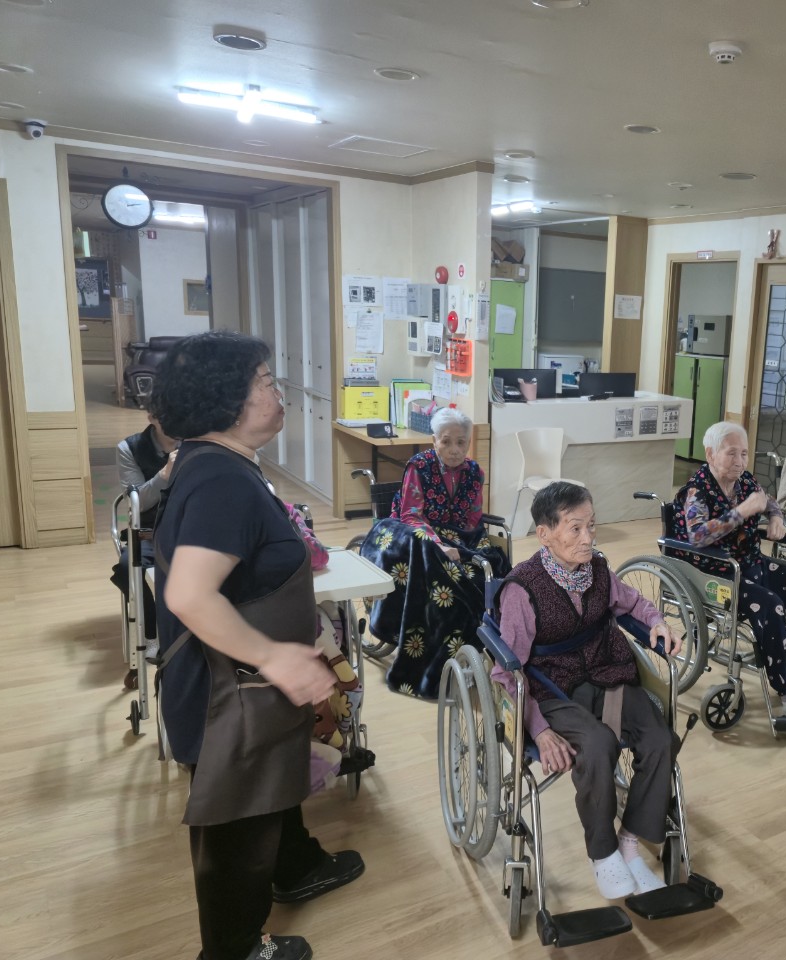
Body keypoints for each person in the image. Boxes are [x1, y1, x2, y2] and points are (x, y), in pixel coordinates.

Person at [151, 332, 363, 960]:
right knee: (235, 827)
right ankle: (235, 948)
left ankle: (294, 865)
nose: (279, 392)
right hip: (228, 695)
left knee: (268, 789)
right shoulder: (222, 480)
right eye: (266, 382)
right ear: (227, 401)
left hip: (249, 690)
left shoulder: (217, 462)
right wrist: (273, 655)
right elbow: (189, 594)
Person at [491, 482, 683, 900]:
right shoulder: (522, 589)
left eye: (591, 526)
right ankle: (604, 853)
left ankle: (630, 841)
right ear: (545, 534)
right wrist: (539, 729)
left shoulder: (597, 570)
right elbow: (507, 672)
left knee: (660, 739)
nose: (587, 538)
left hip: (605, 672)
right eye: (575, 528)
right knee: (596, 746)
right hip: (550, 689)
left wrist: (657, 622)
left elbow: (633, 603)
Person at [671, 422, 786, 722]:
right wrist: (743, 511)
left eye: (744, 453)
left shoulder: (744, 481)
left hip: (752, 564)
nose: (740, 461)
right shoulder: (697, 490)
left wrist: (776, 517)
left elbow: (769, 501)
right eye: (732, 453)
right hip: (716, 575)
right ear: (710, 453)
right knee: (771, 605)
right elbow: (698, 536)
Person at [359, 406, 509, 698]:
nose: (454, 449)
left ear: (469, 442)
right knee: (445, 581)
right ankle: (438, 660)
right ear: (434, 441)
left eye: (461, 442)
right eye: (446, 441)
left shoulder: (474, 472)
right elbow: (411, 514)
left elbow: (473, 519)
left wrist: (466, 549)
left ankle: (476, 652)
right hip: (412, 531)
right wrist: (439, 544)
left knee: (489, 570)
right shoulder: (419, 466)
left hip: (458, 536)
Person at [110, 415, 178, 687]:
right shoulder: (129, 448)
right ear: (152, 416)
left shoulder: (198, 439)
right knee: (127, 567)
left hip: (190, 527)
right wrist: (164, 475)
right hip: (148, 531)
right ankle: (151, 632)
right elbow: (138, 501)